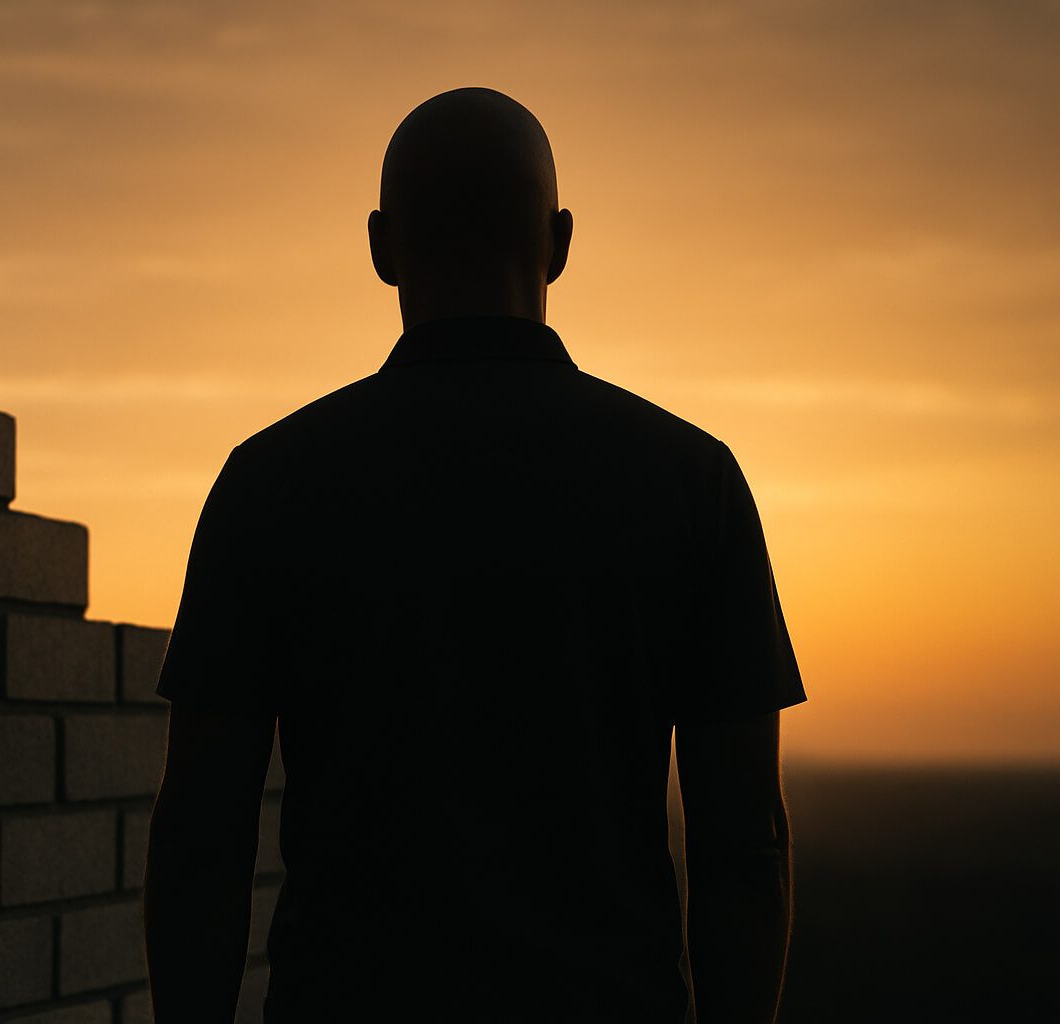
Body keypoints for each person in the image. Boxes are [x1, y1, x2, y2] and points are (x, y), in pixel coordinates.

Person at [143, 87, 806, 1024]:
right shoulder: (691, 482)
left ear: (380, 247)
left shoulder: (270, 483)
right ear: (562, 241)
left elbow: (199, 838)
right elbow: (747, 844)